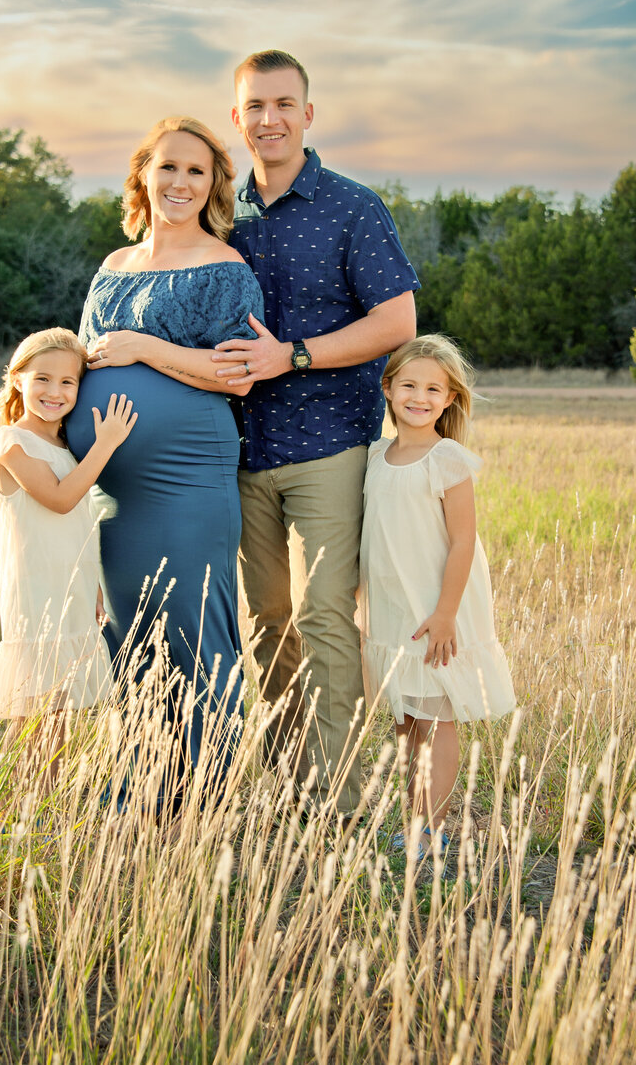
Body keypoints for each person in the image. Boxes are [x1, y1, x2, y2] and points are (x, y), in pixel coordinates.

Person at [212, 49, 419, 817]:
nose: (268, 119)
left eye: (283, 104)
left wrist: (290, 356)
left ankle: (336, 799)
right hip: (237, 449)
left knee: (323, 614)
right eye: (254, 107)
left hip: (329, 442)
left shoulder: (353, 206)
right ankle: (288, 783)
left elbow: (397, 321)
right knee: (265, 618)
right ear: (237, 119)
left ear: (307, 113)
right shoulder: (217, 213)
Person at [64, 116, 265, 812]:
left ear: (213, 187)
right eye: (169, 167)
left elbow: (238, 375)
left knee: (190, 629)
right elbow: (87, 358)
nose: (181, 182)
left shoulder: (224, 268)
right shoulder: (112, 267)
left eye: (197, 171)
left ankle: (208, 791)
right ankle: (146, 778)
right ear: (144, 174)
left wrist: (142, 348)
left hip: (186, 478)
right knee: (128, 632)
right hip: (110, 489)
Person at [358, 334, 516, 858]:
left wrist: (446, 613)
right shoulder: (376, 455)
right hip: (391, 608)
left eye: (433, 389)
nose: (419, 397)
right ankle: (414, 817)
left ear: (449, 400)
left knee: (435, 719)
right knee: (405, 720)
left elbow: (464, 539)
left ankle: (432, 828)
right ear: (387, 388)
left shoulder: (446, 458)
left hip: (434, 608)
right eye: (409, 385)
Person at [0, 327, 137, 790]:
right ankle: (21, 814)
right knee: (36, 716)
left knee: (61, 716)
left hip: (69, 589)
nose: (54, 391)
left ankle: (45, 812)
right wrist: (108, 442)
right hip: (36, 594)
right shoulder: (10, 441)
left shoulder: (63, 448)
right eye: (42, 379)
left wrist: (91, 586)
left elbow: (77, 527)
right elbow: (60, 500)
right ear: (17, 380)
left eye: (67, 382)